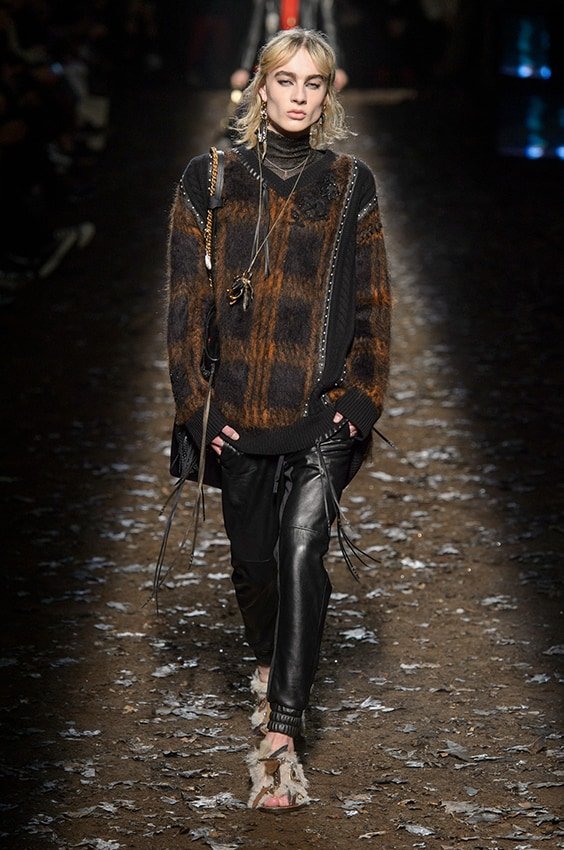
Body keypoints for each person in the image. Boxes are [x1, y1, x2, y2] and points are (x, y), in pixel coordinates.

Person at [166, 27, 391, 811]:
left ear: (328, 95)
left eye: (313, 82)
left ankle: (281, 737)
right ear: (260, 87)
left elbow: (374, 301)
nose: (299, 95)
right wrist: (197, 405)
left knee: (300, 551)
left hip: (321, 412)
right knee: (255, 565)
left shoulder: (350, 184)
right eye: (285, 80)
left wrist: (359, 401)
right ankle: (270, 661)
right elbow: (184, 307)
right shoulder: (210, 179)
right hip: (238, 414)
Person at [231, 0, 348, 91]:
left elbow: (330, 30)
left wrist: (336, 66)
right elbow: (254, 32)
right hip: (276, 59)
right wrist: (244, 68)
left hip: (307, 58)